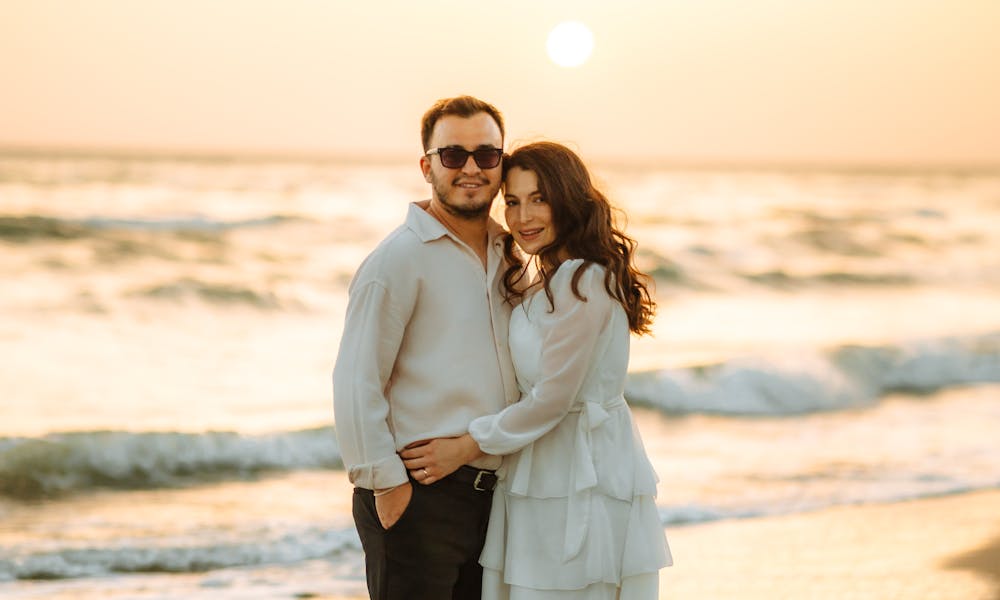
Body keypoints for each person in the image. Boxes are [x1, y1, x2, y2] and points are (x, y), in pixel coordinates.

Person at [401, 141, 673, 599]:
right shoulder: (549, 278)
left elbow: (552, 399)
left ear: (567, 199)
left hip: (578, 474)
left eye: (538, 199)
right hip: (541, 464)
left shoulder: (584, 279)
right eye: (512, 201)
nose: (523, 216)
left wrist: (465, 447)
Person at [332, 95, 519, 600]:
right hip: (419, 499)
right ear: (427, 166)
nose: (471, 168)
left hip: (497, 503)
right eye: (453, 155)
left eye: (486, 154)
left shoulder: (512, 257)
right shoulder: (398, 260)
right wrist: (386, 483)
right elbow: (356, 380)